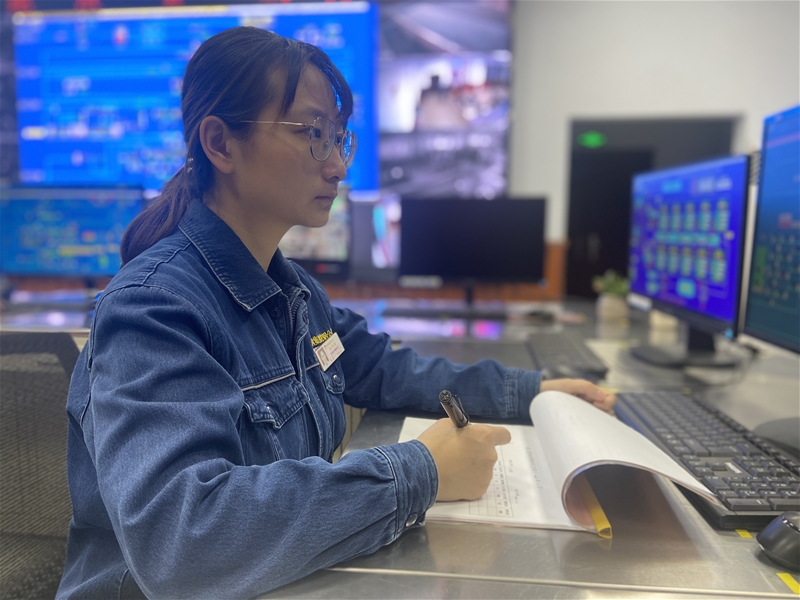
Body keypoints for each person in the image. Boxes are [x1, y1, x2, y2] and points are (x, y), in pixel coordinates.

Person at [57, 26, 615, 600]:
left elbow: (387, 369)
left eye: (339, 138)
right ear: (220, 144)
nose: (338, 167)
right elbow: (181, 541)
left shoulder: (293, 292)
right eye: (312, 134)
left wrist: (534, 392)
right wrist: (421, 471)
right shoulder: (154, 308)